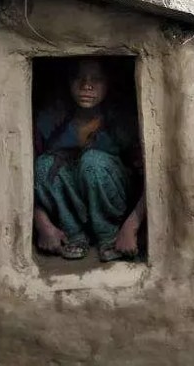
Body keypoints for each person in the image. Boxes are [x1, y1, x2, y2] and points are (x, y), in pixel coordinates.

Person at [32, 58, 145, 262]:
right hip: (70, 207)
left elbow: (152, 179)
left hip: (116, 204)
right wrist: (42, 225)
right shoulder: (51, 120)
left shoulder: (122, 122)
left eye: (96, 79)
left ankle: (108, 235)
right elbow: (22, 177)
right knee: (43, 165)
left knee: (92, 162)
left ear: (109, 83)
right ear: (68, 82)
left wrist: (131, 226)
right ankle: (73, 234)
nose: (86, 85)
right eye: (78, 78)